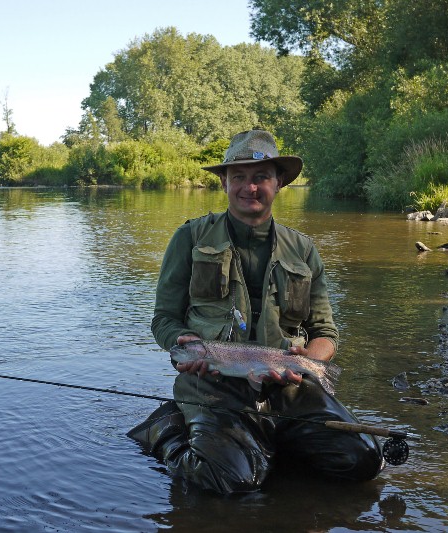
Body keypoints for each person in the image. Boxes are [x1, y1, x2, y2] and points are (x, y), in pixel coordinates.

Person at [128, 129, 383, 493]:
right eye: (239, 178)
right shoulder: (190, 238)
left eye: (261, 177)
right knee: (229, 482)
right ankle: (166, 430)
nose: (250, 188)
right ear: (224, 183)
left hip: (289, 391)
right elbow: (164, 319)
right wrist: (181, 340)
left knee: (363, 460)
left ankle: (263, 446)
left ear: (278, 183)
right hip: (214, 388)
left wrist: (308, 363)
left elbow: (326, 333)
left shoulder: (304, 249)